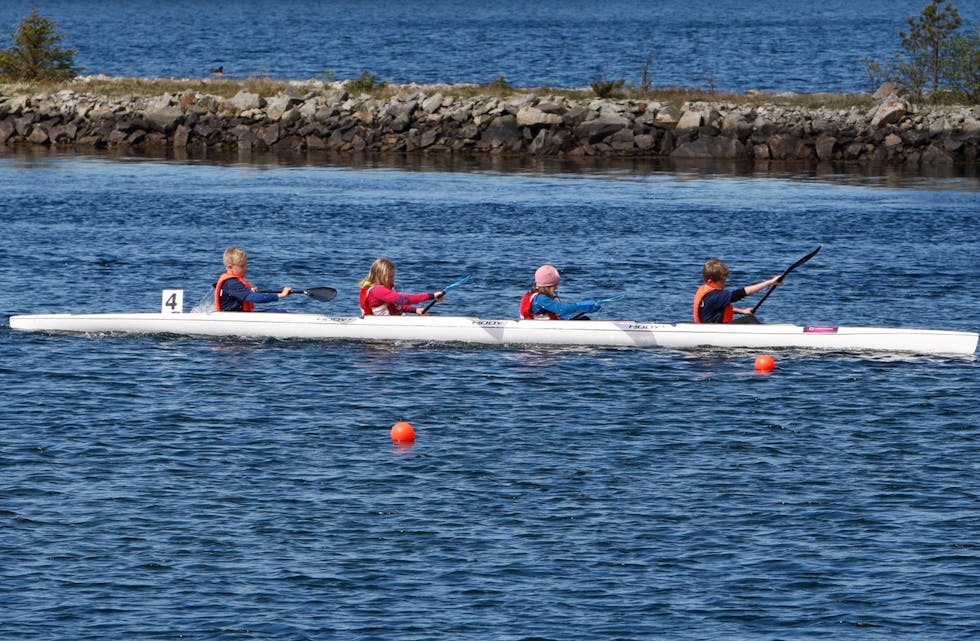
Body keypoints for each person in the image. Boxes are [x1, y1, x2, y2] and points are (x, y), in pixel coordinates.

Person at [693, 258, 782, 324]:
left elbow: (718, 309)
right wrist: (770, 282)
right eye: (722, 282)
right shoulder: (714, 294)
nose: (725, 284)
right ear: (710, 281)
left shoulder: (706, 293)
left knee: (747, 318)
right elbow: (742, 293)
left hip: (711, 327)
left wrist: (742, 311)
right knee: (749, 320)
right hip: (715, 330)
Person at [359, 257, 444, 316]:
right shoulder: (377, 290)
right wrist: (431, 296)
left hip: (392, 321)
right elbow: (404, 300)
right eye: (390, 277)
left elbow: (397, 305)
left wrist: (415, 310)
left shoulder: (386, 287)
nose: (393, 279)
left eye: (393, 276)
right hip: (380, 324)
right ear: (380, 276)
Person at [215, 247, 291, 312]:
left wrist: (248, 292)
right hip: (234, 318)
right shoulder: (231, 283)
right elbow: (254, 298)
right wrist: (280, 295)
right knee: (279, 312)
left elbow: (239, 294)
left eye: (246, 265)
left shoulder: (231, 283)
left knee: (278, 311)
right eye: (242, 266)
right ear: (230, 267)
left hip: (238, 315)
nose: (246, 269)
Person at [520, 264, 602, 320]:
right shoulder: (541, 299)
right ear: (551, 285)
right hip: (541, 329)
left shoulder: (543, 297)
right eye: (555, 285)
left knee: (585, 319)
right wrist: (581, 306)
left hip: (551, 327)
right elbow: (561, 309)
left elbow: (560, 314)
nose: (557, 287)